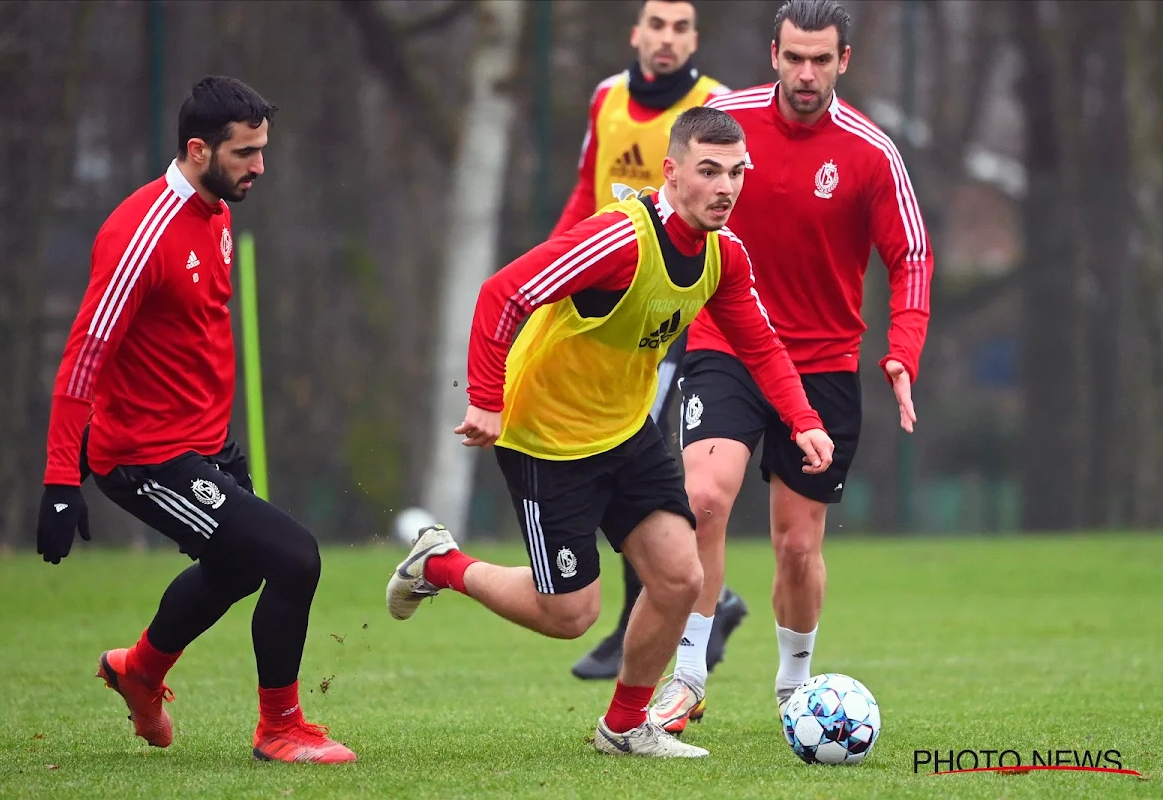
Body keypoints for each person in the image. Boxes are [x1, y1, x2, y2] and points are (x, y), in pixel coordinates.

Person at [385, 107, 835, 758]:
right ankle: (440, 563)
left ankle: (624, 728)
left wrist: (804, 421)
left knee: (680, 578)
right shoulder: (619, 240)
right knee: (572, 615)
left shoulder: (724, 256)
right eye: (709, 171)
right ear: (672, 174)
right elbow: (502, 294)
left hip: (624, 432)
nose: (726, 188)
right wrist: (484, 399)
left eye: (737, 173)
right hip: (545, 438)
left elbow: (762, 347)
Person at [34, 76, 356, 764]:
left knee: (239, 568)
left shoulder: (218, 209)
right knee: (294, 556)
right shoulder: (139, 234)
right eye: (246, 153)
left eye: (264, 150)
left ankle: (139, 671)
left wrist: (221, 451)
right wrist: (61, 481)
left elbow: (192, 343)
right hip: (141, 457)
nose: (260, 167)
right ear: (197, 148)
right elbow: (83, 360)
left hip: (197, 448)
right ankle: (280, 730)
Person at [647, 0, 934, 736]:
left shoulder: (871, 151)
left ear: (845, 61)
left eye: (821, 59)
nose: (805, 73)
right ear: (773, 52)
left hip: (825, 364)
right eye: (793, 57)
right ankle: (686, 677)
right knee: (704, 498)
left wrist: (902, 351)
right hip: (726, 343)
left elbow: (911, 256)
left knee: (797, 545)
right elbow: (668, 197)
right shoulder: (724, 119)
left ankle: (795, 691)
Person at [553, 0, 750, 684]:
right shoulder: (606, 97)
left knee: (630, 457)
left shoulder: (714, 106)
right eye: (656, 25)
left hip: (667, 317)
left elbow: (732, 210)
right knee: (624, 458)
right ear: (636, 33)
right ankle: (708, 601)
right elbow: (586, 194)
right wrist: (549, 273)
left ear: (695, 39)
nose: (666, 39)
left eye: (680, 28)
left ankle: (639, 622)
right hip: (601, 311)